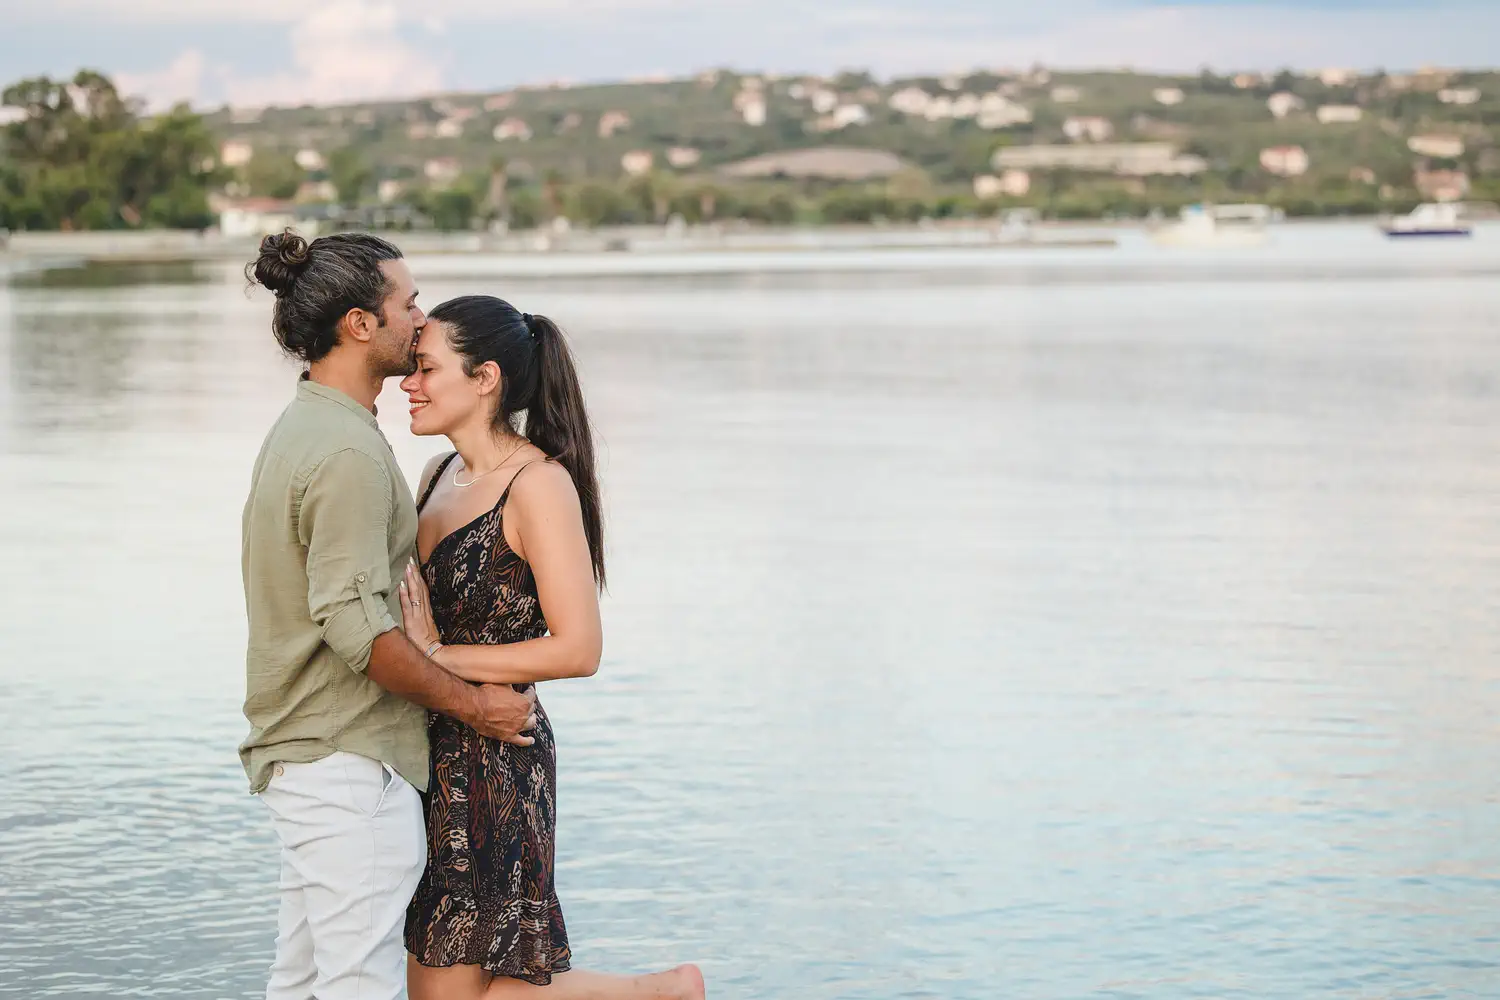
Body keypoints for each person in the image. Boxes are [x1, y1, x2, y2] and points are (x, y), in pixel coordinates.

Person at [240, 233, 539, 1000]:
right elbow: (357, 630)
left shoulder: (310, 428)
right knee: (356, 985)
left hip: (310, 759)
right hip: (348, 764)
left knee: (301, 982)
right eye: (408, 302)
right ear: (360, 324)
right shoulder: (346, 453)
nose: (421, 318)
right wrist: (476, 707)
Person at [396, 295, 705, 1000]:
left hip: (497, 760)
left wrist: (438, 659)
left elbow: (578, 648)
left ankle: (659, 992)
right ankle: (659, 992)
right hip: (431, 750)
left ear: (485, 379)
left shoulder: (538, 485)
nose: (408, 384)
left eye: (426, 368)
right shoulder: (437, 475)